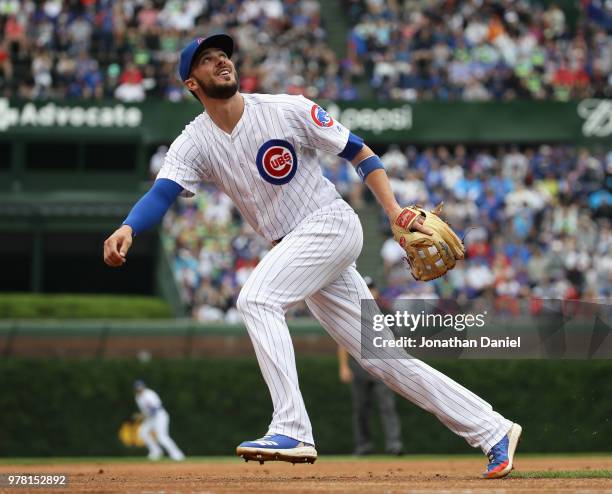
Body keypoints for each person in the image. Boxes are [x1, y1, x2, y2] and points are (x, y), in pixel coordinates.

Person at [103, 33, 521, 478]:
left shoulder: (286, 109)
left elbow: (361, 152)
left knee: (256, 299)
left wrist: (395, 212)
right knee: (383, 358)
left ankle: (292, 428)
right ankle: (492, 430)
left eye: (224, 54)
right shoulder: (195, 141)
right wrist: (129, 226)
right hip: (297, 248)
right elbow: (161, 193)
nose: (222, 62)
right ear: (192, 83)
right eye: (208, 60)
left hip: (329, 224)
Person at [338, 276, 404, 456]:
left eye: (371, 288)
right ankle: (363, 445)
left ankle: (394, 444)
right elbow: (343, 341)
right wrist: (343, 367)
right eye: (366, 288)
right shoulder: (352, 311)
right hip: (358, 367)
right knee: (360, 409)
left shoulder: (385, 312)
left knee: (387, 407)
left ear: (376, 291)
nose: (369, 291)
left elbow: (395, 341)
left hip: (382, 367)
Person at [133, 380, 185, 461]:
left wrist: (141, 416)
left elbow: (155, 409)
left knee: (161, 437)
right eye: (138, 387)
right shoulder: (138, 397)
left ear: (144, 386)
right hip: (151, 418)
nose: (139, 389)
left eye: (141, 387)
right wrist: (142, 416)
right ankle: (156, 451)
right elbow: (145, 411)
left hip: (160, 416)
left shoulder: (150, 394)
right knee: (142, 432)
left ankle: (177, 454)